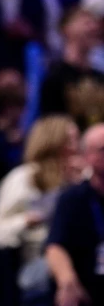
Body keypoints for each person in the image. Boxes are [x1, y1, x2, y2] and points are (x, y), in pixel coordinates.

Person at [0, 115, 81, 305]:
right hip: (38, 260)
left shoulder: (85, 177)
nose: (76, 147)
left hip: (83, 255)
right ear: (53, 142)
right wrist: (27, 220)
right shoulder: (23, 178)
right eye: (70, 140)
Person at [46, 123, 104, 306]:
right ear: (86, 156)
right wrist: (67, 281)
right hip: (89, 287)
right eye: (103, 149)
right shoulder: (73, 198)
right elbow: (55, 246)